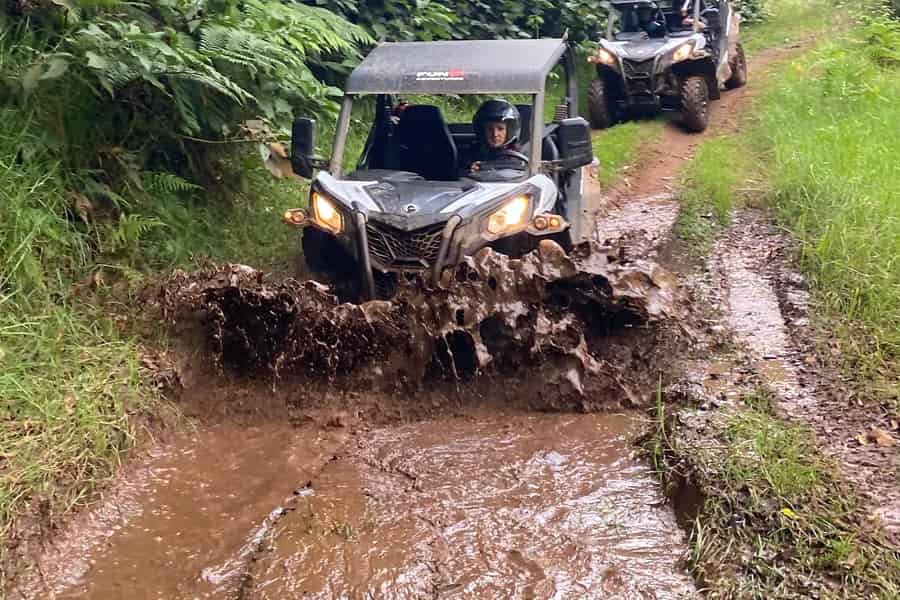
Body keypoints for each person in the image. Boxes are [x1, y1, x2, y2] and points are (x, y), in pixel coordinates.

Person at [461, 99, 523, 174]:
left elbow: (519, 167)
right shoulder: (473, 152)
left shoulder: (517, 155)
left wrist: (485, 166)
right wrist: (469, 168)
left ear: (509, 130)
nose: (495, 134)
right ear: (483, 130)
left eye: (500, 129)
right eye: (490, 129)